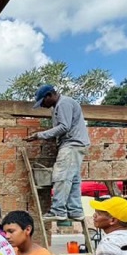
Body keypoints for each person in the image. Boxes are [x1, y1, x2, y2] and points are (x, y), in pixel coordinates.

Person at [24, 85, 90, 221]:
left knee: (61, 176)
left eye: (43, 102)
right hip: (76, 144)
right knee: (73, 180)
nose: (43, 105)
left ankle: (58, 210)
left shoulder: (63, 103)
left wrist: (40, 135)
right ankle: (75, 210)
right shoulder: (59, 105)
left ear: (49, 95)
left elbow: (64, 127)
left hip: (72, 144)